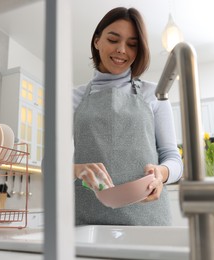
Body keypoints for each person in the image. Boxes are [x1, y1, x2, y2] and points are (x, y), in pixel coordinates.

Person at [73, 7, 183, 226]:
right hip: (88, 220)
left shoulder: (155, 93)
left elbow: (173, 158)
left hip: (148, 218)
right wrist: (75, 169)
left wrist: (160, 174)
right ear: (97, 41)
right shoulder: (72, 98)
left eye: (132, 44)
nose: (122, 50)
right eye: (113, 40)